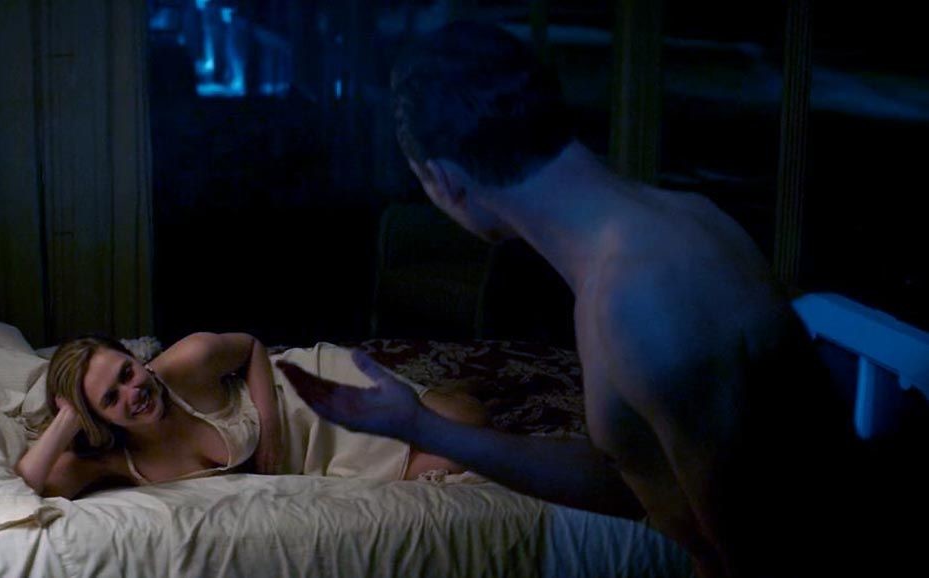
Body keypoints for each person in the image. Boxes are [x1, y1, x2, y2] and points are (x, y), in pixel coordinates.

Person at [275, 21, 864, 578]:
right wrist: (420, 427)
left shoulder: (641, 303)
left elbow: (760, 555)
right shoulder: (666, 224)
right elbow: (632, 475)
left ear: (444, 180)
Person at [15, 333, 487, 499]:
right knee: (455, 455)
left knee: (467, 419)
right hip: (313, 462)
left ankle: (445, 392)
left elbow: (251, 346)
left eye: (127, 371)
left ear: (134, 357)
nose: (133, 392)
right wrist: (68, 418)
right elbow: (25, 487)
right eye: (110, 399)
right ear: (96, 418)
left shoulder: (185, 362)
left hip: (300, 398)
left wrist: (271, 429)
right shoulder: (113, 460)